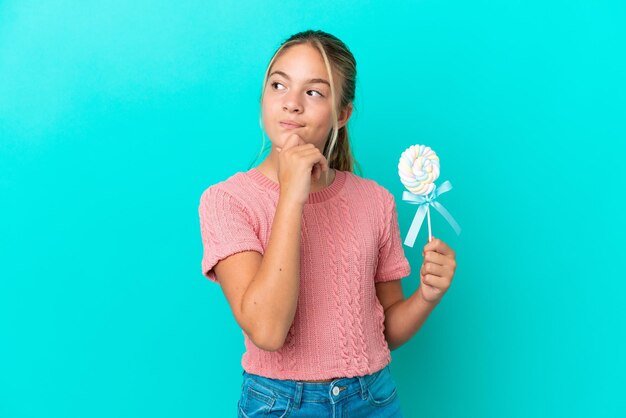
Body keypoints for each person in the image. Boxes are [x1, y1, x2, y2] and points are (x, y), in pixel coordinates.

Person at [198, 29, 457, 418]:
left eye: (313, 92)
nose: (291, 104)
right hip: (281, 404)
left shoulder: (375, 200)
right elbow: (268, 332)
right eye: (278, 85)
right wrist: (291, 196)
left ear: (342, 114)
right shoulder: (227, 201)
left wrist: (427, 296)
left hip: (375, 399)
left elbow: (385, 331)